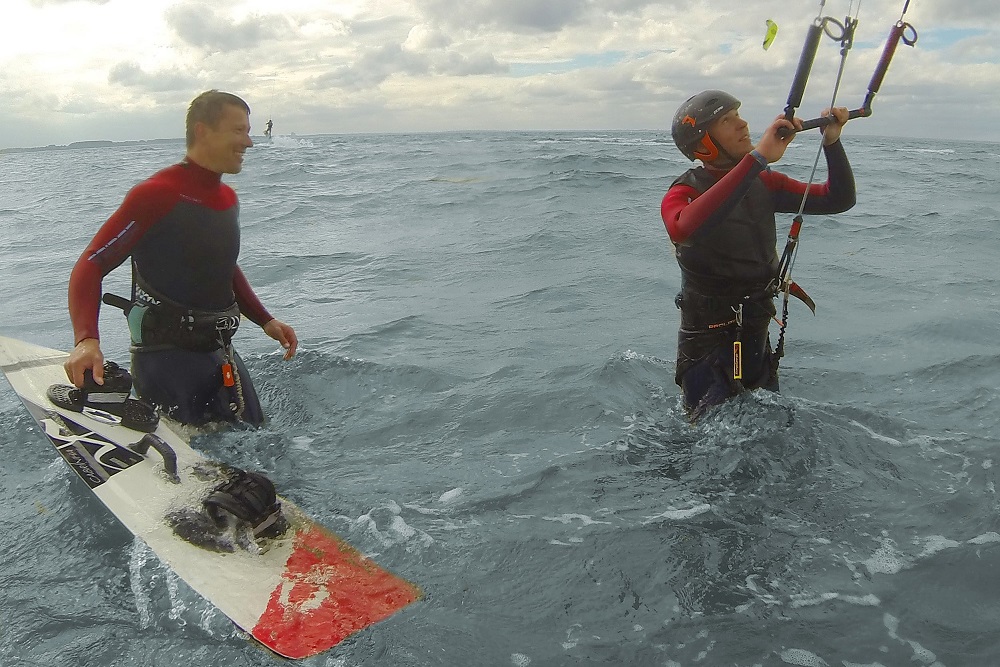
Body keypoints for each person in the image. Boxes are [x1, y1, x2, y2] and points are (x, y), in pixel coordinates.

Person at [64, 90, 297, 427]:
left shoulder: (227, 199)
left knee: (260, 441)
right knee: (196, 454)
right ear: (202, 131)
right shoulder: (157, 194)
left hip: (219, 352)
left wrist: (266, 320)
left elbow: (222, 265)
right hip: (165, 361)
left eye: (248, 131)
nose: (248, 142)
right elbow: (92, 262)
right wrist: (86, 340)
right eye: (238, 130)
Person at [660, 90, 856, 419]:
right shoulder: (685, 191)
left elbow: (838, 198)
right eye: (727, 120)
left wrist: (832, 143)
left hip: (756, 341)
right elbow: (683, 229)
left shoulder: (764, 182)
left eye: (738, 114)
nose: (743, 124)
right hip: (706, 352)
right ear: (704, 144)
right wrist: (758, 158)